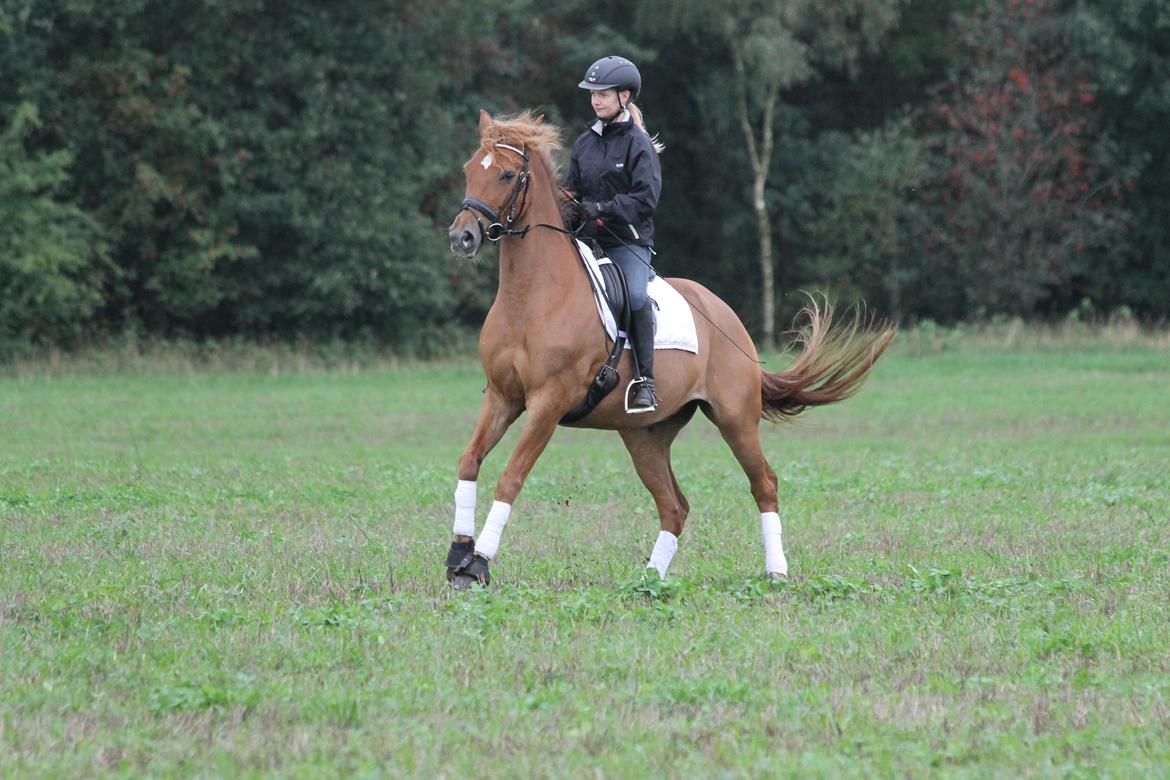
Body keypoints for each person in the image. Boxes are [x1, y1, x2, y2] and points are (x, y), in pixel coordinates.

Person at [563, 55, 664, 413]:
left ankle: (646, 381)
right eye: (593, 94)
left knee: (635, 296)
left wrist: (604, 208)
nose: (595, 100)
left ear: (625, 96)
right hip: (586, 240)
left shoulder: (638, 144)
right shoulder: (584, 143)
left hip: (627, 242)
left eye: (603, 94)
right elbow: (571, 189)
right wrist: (566, 206)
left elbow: (646, 199)